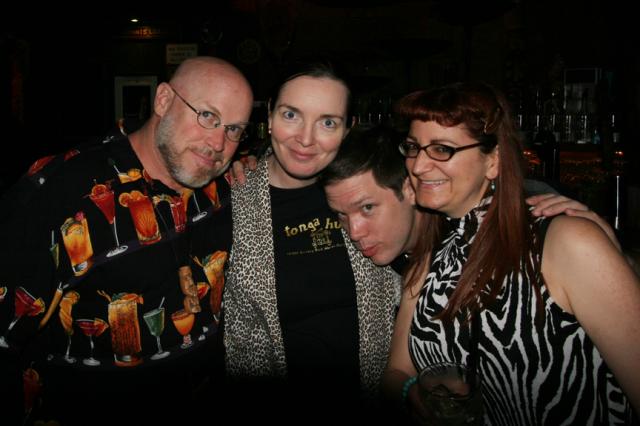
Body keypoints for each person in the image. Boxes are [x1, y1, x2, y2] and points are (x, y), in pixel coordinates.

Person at [0, 56, 253, 426]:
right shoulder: (62, 192)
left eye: (233, 129)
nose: (218, 143)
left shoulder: (225, 185)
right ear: (163, 100)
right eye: (207, 116)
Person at [382, 82, 640, 424]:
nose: (417, 166)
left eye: (442, 149)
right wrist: (413, 393)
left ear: (494, 161)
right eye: (414, 147)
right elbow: (396, 372)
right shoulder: (432, 256)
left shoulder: (565, 242)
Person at [222, 61, 399, 421]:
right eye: (291, 115)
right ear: (269, 116)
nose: (305, 138)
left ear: (348, 128)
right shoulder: (230, 197)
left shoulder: (367, 189)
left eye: (328, 122)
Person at [320, 125, 621, 273]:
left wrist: (611, 251)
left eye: (367, 208)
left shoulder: (484, 232)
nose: (354, 232)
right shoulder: (383, 263)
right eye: (341, 214)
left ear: (410, 188)